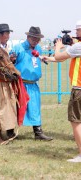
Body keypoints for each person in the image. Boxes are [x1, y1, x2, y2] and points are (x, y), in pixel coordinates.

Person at [42, 20, 81, 162]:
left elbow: (59, 56)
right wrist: (48, 58)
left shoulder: (78, 46)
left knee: (76, 121)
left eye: (77, 31)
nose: (76, 34)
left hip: (79, 89)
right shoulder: (76, 47)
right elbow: (61, 59)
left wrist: (58, 46)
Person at [10, 26, 53, 141]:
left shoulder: (38, 48)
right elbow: (10, 62)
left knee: (35, 107)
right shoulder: (18, 48)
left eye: (38, 39)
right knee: (17, 107)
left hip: (33, 84)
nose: (36, 41)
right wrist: (12, 59)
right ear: (28, 37)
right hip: (21, 84)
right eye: (34, 39)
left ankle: (38, 132)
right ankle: (10, 132)